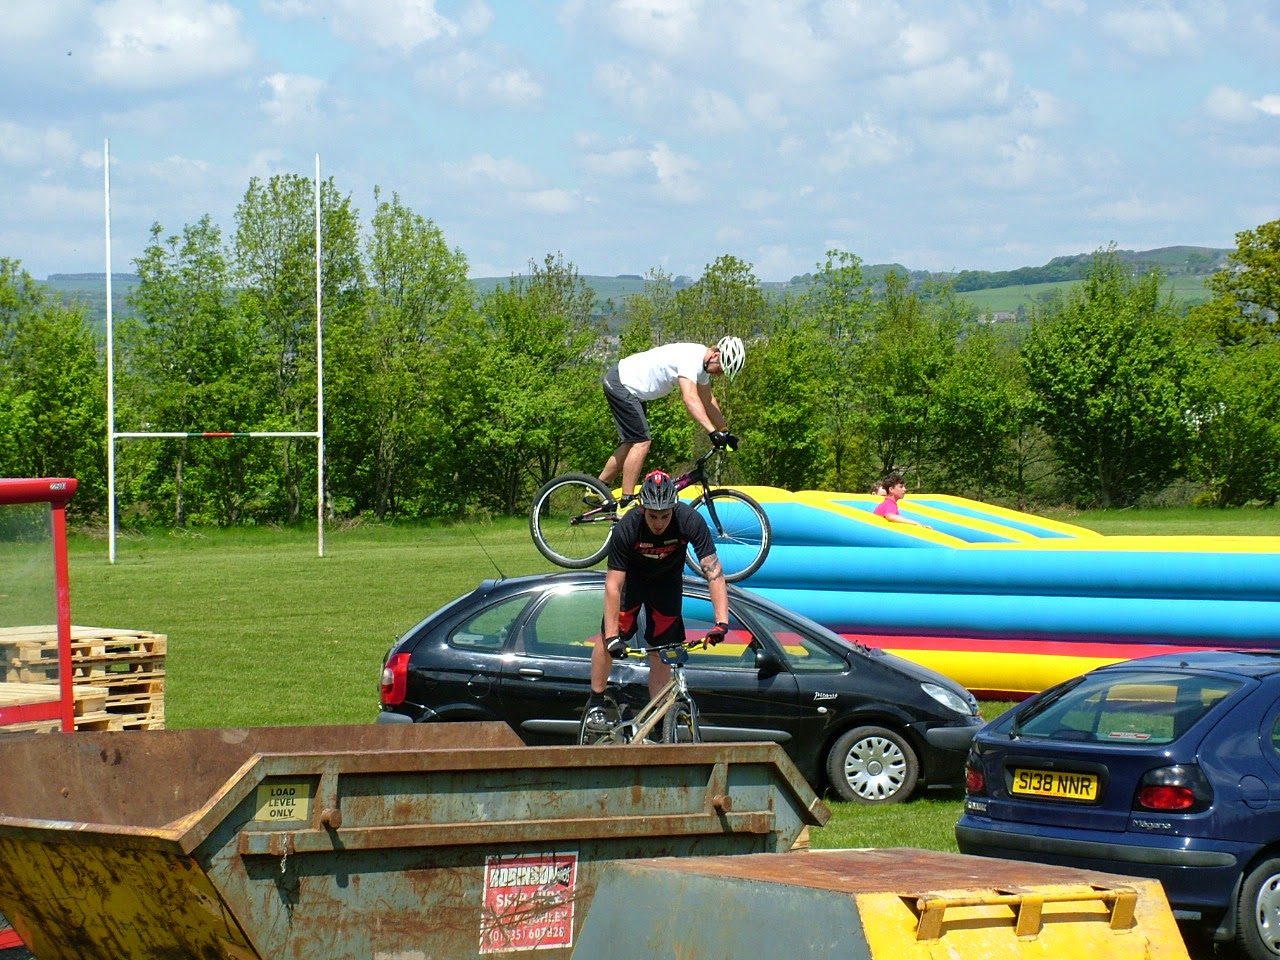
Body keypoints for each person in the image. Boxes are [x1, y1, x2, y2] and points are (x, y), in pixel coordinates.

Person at [583, 468, 730, 731]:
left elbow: (714, 573)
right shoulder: (628, 526)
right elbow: (613, 585)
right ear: (642, 509)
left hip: (666, 582)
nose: (659, 523)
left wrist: (721, 622)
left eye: (665, 515)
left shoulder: (690, 521)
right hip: (632, 581)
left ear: (674, 508)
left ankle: (659, 719)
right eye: (653, 516)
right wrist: (613, 636)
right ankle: (596, 701)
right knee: (609, 634)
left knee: (662, 648)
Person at [597, 337, 744, 502]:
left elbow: (708, 400)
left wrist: (724, 431)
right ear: (715, 355)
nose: (719, 374)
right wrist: (712, 432)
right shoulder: (691, 358)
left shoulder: (702, 368)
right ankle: (626, 501)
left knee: (632, 442)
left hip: (631, 390)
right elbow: (690, 399)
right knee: (642, 442)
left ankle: (597, 488)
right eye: (721, 369)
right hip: (621, 383)